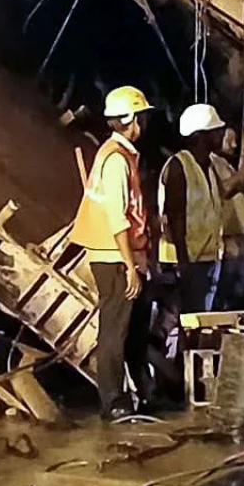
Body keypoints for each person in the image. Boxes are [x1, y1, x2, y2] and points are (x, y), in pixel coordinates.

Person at [67, 86, 154, 420]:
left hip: (118, 255)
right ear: (131, 120)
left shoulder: (120, 155)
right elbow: (117, 218)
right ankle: (114, 402)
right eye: (142, 117)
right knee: (115, 331)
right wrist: (131, 266)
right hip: (113, 257)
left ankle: (138, 395)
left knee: (129, 331)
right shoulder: (116, 159)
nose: (145, 123)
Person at [159, 104, 227, 314]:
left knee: (200, 319)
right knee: (185, 319)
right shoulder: (179, 167)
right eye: (215, 131)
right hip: (185, 259)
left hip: (207, 257)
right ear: (200, 135)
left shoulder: (209, 165)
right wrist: (183, 261)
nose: (221, 134)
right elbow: (175, 216)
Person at [209, 125, 244, 311]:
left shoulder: (224, 163)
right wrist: (241, 176)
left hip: (241, 233)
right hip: (227, 236)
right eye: (230, 138)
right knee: (233, 283)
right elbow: (221, 191)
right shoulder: (210, 162)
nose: (234, 144)